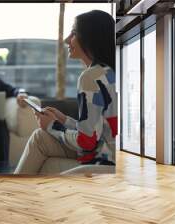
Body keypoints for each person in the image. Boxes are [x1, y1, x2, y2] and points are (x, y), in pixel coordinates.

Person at [14, 10, 117, 174]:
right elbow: (99, 130)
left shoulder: (90, 77)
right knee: (40, 137)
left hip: (104, 157)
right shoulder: (111, 72)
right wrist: (64, 120)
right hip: (113, 151)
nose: (66, 39)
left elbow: (87, 142)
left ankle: (12, 191)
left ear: (89, 38)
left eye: (74, 33)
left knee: (41, 135)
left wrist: (52, 126)